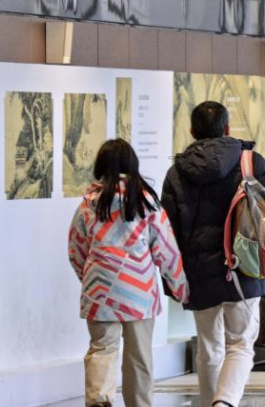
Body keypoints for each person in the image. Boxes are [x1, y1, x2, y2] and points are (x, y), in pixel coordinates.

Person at [161, 101, 265, 407]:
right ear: (227, 128)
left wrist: (173, 280)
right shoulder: (250, 162)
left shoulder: (177, 172)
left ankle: (210, 403)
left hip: (198, 274)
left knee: (209, 347)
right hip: (244, 266)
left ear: (191, 131)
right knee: (241, 344)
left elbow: (169, 229)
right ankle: (225, 402)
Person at [68, 139, 189, 407]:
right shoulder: (145, 201)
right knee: (139, 357)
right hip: (139, 291)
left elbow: (76, 249)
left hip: (99, 291)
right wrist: (180, 287)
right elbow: (166, 249)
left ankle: (99, 401)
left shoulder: (89, 203)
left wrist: (89, 278)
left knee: (102, 350)